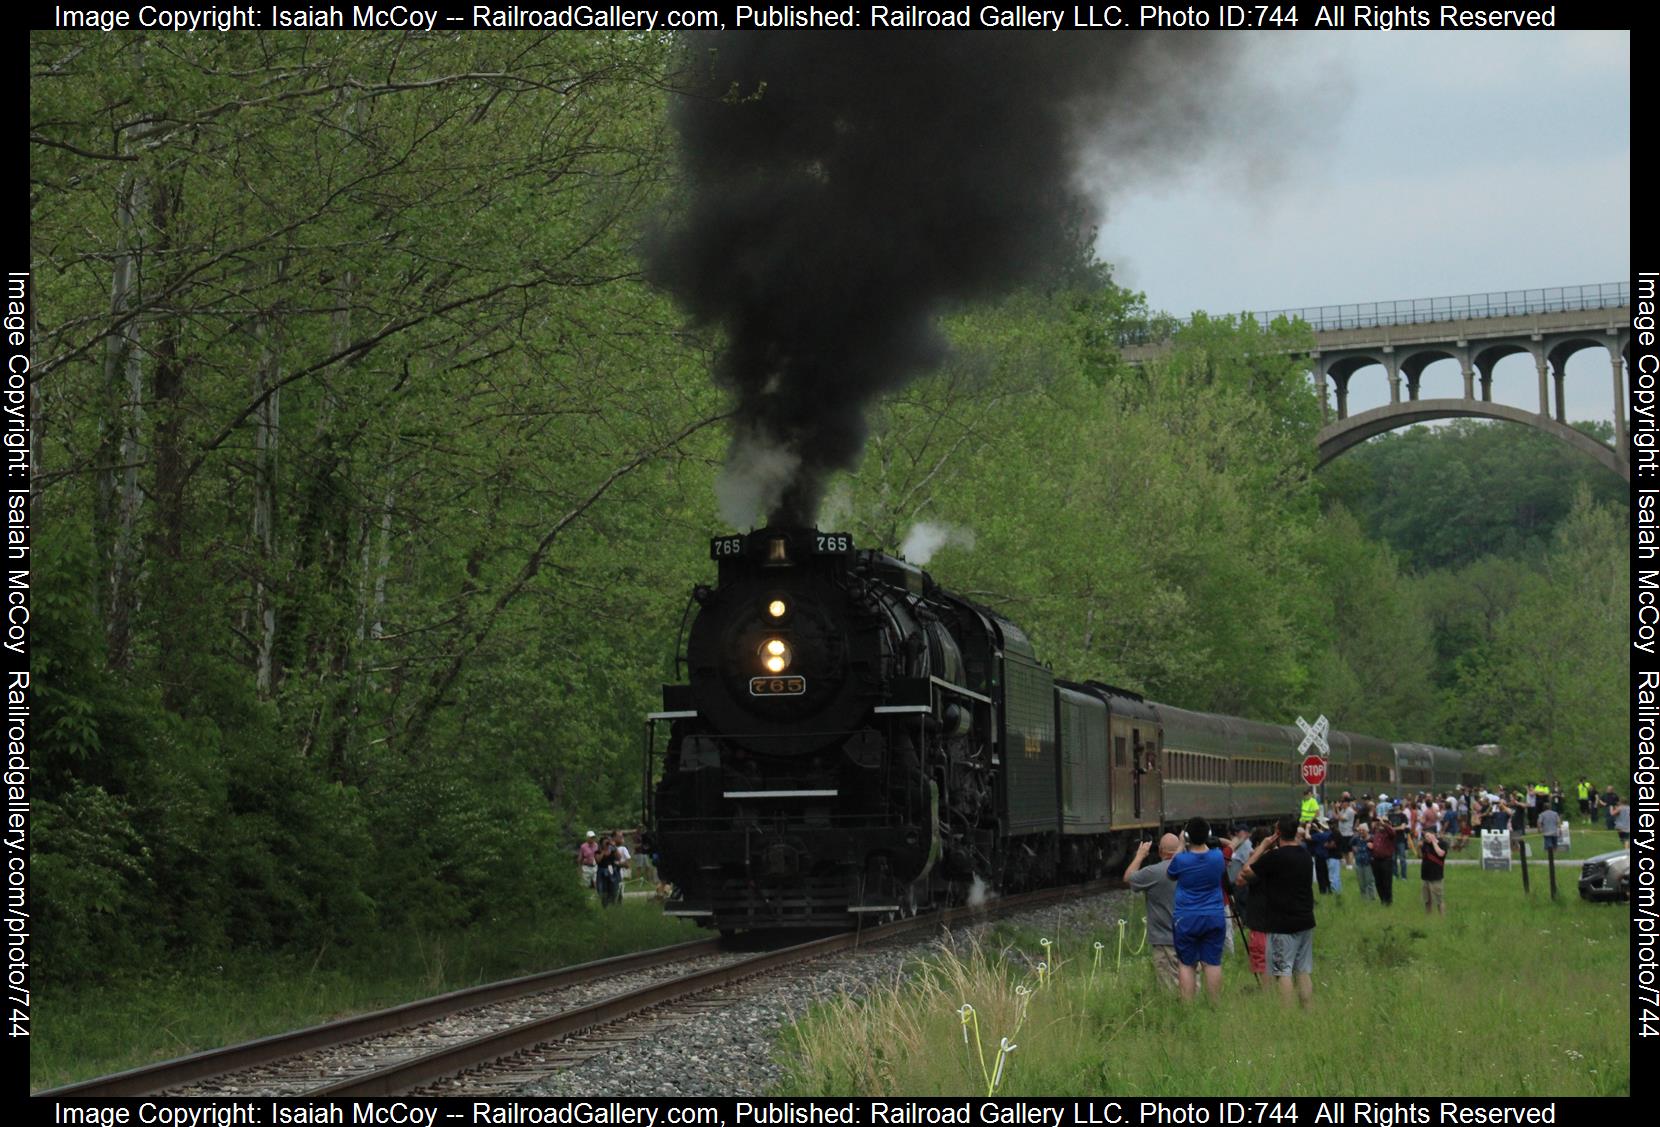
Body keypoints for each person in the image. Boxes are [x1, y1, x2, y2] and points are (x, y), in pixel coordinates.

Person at [1241, 816, 1316, 1008]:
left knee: (1283, 970)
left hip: (1282, 923)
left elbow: (1245, 873)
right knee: (1303, 970)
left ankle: (1287, 1012)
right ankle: (1307, 1008)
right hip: (1306, 920)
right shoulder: (1305, 856)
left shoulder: (1274, 858)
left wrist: (1263, 847)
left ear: (1278, 834)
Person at [1166, 817, 1228, 1003]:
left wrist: (1179, 846)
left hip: (1186, 918)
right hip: (1214, 915)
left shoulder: (1182, 861)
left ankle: (1188, 1006)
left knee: (1186, 964)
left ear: (1186, 836)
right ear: (1208, 835)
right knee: (1212, 963)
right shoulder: (1218, 857)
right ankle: (1214, 1004)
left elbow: (1170, 873)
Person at [1125, 833, 1182, 991]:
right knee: (1190, 981)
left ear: (1161, 851)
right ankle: (1191, 1009)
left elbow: (1129, 877)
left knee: (1168, 986)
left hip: (1164, 938)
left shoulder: (1154, 872)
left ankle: (1174, 1012)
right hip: (1190, 935)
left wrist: (1140, 856)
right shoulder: (1191, 868)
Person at [1231, 825, 1272, 989]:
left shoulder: (1260, 863)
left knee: (1262, 960)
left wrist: (1256, 854)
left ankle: (1267, 993)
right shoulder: (1282, 858)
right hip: (1281, 919)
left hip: (1260, 918)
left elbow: (1240, 879)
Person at [1369, 816, 1400, 906]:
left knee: (1387, 881)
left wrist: (1384, 823)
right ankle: (1382, 899)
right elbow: (1371, 840)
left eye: (1385, 821)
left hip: (1386, 860)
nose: (1381, 823)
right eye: (1380, 821)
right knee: (1378, 881)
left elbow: (1393, 832)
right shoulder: (1376, 832)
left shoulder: (1390, 833)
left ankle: (1388, 901)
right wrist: (1370, 844)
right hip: (1376, 860)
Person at [1419, 827, 1448, 916]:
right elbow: (1420, 856)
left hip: (1436, 876)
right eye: (1425, 836)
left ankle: (1442, 917)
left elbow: (1440, 853)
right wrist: (1418, 847)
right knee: (1427, 900)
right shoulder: (1425, 845)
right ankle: (1428, 917)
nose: (1427, 838)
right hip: (1425, 875)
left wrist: (1434, 842)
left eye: (1428, 836)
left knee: (1439, 899)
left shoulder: (1443, 843)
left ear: (1434, 835)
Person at [1350, 819, 1377, 901]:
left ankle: (1372, 898)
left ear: (1367, 830)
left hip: (1368, 862)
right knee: (1361, 883)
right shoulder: (1357, 838)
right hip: (1358, 862)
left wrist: (1373, 846)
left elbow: (1377, 847)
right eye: (1360, 830)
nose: (1361, 832)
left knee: (1369, 881)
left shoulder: (1372, 838)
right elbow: (1350, 843)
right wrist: (1354, 848)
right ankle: (1364, 899)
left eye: (1363, 830)